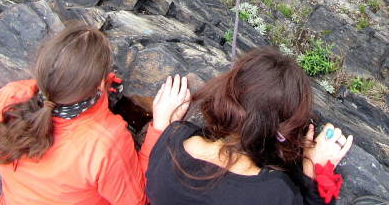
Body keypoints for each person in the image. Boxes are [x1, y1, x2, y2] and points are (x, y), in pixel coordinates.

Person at [0, 22, 190, 205]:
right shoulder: (104, 142)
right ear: (101, 85)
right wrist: (160, 126)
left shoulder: (9, 100)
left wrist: (8, 158)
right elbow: (137, 200)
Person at [145, 47, 353, 205]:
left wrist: (163, 124)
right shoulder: (276, 194)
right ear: (282, 130)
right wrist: (311, 176)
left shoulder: (171, 140)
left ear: (227, 93)